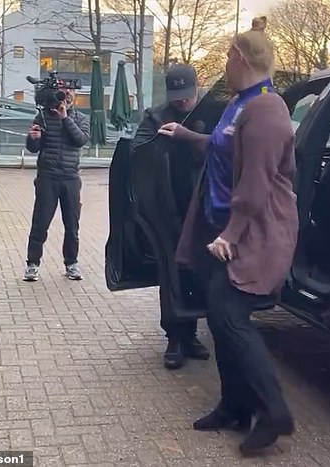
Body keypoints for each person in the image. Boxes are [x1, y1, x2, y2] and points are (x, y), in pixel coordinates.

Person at [158, 18, 299, 455]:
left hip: (255, 232)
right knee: (220, 316)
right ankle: (234, 407)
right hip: (231, 230)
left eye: (226, 57)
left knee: (229, 317)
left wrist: (231, 236)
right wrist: (184, 135)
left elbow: (256, 186)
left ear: (240, 58)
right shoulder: (239, 105)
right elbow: (222, 147)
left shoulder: (267, 110)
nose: (223, 64)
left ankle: (273, 410)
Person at [131, 64, 210, 370]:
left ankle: (191, 335)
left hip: (202, 208)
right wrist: (161, 144)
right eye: (177, 97)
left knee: (197, 272)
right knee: (171, 274)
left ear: (196, 88)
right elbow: (136, 152)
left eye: (187, 96)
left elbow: (225, 148)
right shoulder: (155, 117)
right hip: (167, 209)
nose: (182, 102)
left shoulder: (211, 110)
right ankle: (175, 339)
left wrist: (192, 137)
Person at [22, 81, 90, 282]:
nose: (66, 95)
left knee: (72, 224)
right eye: (62, 92)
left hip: (70, 177)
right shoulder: (42, 116)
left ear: (74, 96)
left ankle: (71, 263)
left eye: (70, 92)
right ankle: (32, 264)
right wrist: (32, 138)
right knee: (40, 222)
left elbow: (80, 140)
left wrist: (65, 118)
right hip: (47, 176)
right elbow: (34, 148)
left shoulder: (81, 118)